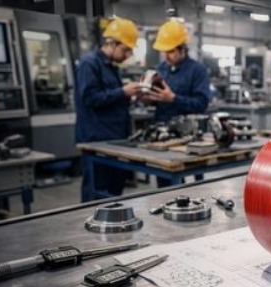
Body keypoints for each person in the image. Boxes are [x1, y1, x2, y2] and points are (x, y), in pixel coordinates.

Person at [75, 17, 145, 200]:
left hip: (114, 141)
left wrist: (131, 96)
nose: (128, 55)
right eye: (126, 49)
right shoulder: (89, 64)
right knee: (96, 194)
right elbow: (90, 98)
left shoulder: (111, 67)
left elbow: (111, 100)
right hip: (96, 140)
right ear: (112, 43)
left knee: (113, 195)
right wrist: (123, 92)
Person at [146, 19, 211, 122]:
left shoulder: (198, 71)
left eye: (171, 51)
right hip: (161, 126)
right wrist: (147, 99)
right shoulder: (160, 69)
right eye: (164, 52)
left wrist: (174, 99)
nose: (166, 56)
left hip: (186, 131)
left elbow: (201, 105)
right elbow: (157, 100)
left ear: (183, 49)